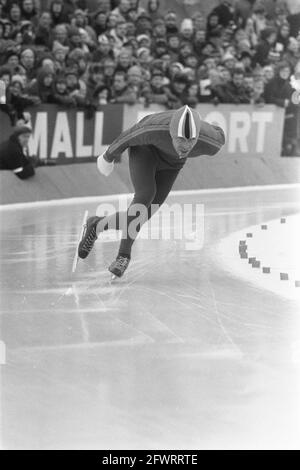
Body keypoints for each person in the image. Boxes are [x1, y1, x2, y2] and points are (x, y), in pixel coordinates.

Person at [77, 105, 225, 278]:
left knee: (144, 214)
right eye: (180, 139)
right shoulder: (154, 129)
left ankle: (96, 225)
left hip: (172, 164)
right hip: (145, 151)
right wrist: (108, 157)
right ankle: (123, 256)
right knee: (145, 195)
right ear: (171, 132)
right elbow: (127, 137)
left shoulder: (211, 142)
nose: (185, 146)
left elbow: (220, 133)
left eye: (190, 140)